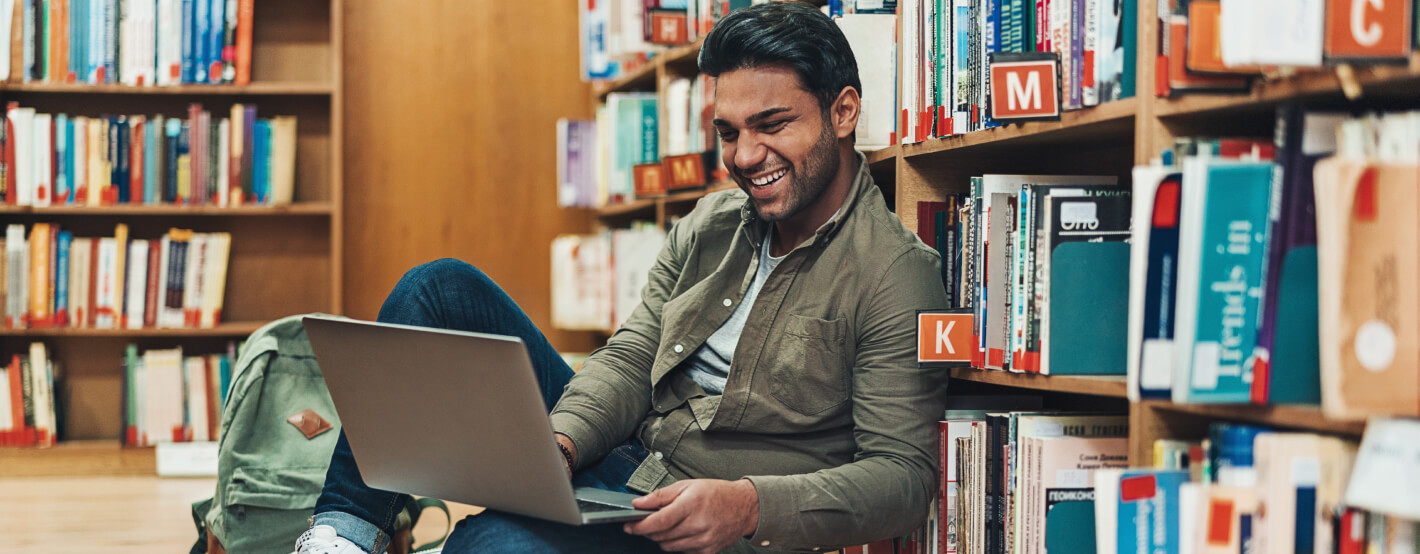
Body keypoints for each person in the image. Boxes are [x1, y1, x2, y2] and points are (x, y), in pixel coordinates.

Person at [296, 2, 949, 553]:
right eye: (729, 132)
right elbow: (636, 353)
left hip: (714, 526)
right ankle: (344, 532)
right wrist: (562, 442)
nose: (746, 157)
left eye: (773, 125)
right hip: (629, 471)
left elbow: (902, 480)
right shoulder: (713, 222)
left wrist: (746, 508)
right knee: (436, 289)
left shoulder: (897, 275)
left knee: (485, 544)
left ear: (842, 112)